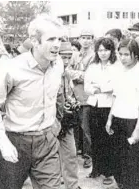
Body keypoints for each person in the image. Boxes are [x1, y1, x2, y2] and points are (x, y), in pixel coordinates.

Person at [0, 14, 65, 189]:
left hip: (47, 143)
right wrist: (3, 142)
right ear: (35, 41)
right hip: (16, 142)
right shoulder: (12, 69)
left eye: (60, 39)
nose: (57, 44)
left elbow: (56, 96)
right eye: (51, 39)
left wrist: (54, 124)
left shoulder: (58, 65)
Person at [106, 39, 139, 189]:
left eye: (126, 54)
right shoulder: (120, 71)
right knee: (118, 162)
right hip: (118, 119)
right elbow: (116, 96)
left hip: (133, 122)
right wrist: (110, 118)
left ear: (135, 55)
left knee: (132, 165)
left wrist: (138, 130)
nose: (122, 57)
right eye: (120, 54)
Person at [84, 37, 120, 184]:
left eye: (106, 50)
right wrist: (96, 89)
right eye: (100, 50)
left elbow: (116, 85)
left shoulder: (116, 66)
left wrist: (101, 87)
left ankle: (108, 173)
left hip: (109, 107)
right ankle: (96, 168)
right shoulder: (92, 67)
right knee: (95, 138)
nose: (103, 53)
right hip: (94, 105)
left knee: (108, 140)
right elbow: (87, 87)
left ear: (111, 51)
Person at [66, 28, 95, 168]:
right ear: (79, 39)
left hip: (86, 97)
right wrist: (78, 74)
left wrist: (76, 74)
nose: (86, 40)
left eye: (89, 37)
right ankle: (75, 154)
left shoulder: (93, 56)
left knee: (86, 128)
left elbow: (89, 76)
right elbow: (66, 70)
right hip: (74, 95)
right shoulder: (74, 55)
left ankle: (89, 155)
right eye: (83, 37)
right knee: (74, 127)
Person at [58, 41, 81, 189]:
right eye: (63, 57)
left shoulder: (67, 73)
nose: (66, 61)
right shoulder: (48, 72)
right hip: (50, 121)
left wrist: (73, 102)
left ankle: (72, 185)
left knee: (71, 154)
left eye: (68, 57)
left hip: (66, 122)